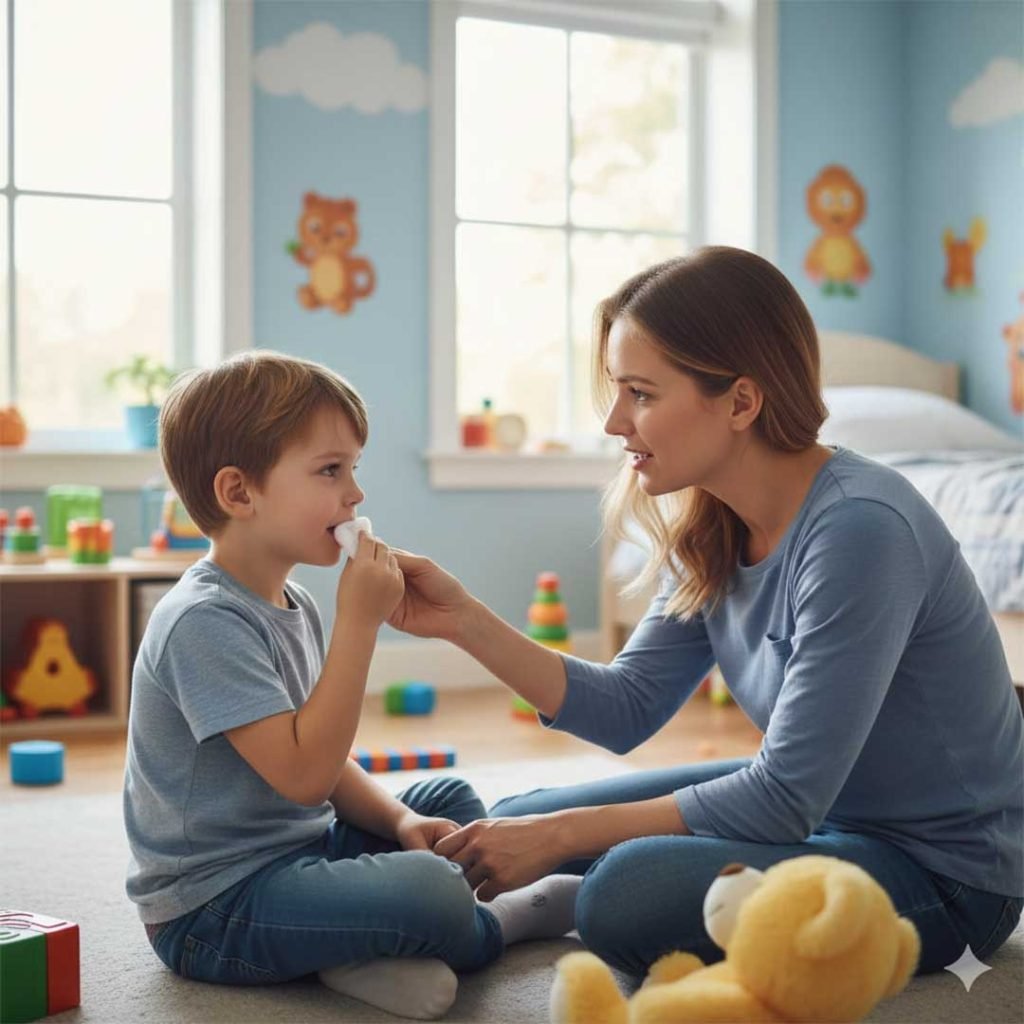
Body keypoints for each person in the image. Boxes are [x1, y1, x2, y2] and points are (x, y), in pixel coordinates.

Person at [388, 246, 1024, 978]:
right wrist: (461, 619)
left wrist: (562, 837)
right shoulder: (714, 527)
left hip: (946, 880)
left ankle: (549, 902)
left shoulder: (861, 529)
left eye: (641, 393)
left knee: (626, 896)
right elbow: (626, 708)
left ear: (741, 403)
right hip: (823, 816)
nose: (614, 422)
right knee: (521, 812)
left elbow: (782, 799)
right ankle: (514, 902)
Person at [122, 351, 579, 1021]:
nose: (355, 495)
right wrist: (359, 623)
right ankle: (496, 924)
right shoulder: (201, 622)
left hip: (302, 850)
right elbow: (305, 776)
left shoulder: (292, 602)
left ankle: (351, 953)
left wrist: (400, 819)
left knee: (444, 801)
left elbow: (327, 766)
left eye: (353, 470)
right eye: (331, 471)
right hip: (216, 907)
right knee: (431, 890)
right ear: (239, 493)